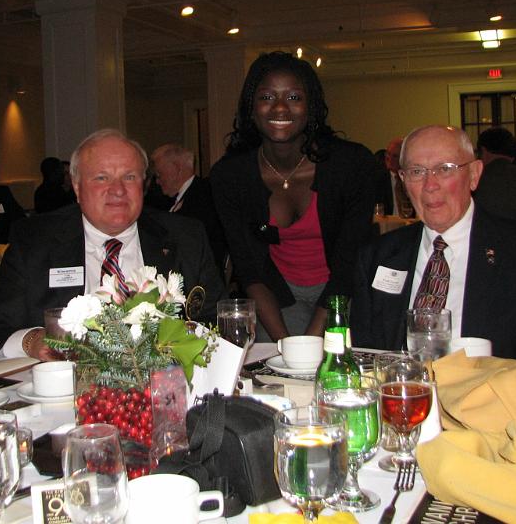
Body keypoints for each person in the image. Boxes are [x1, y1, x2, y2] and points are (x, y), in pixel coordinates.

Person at [350, 126, 516, 395]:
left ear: (474, 175)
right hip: (401, 417)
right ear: (403, 180)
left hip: (498, 423)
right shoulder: (377, 257)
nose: (430, 185)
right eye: (417, 171)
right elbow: (364, 363)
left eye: (445, 168)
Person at [0, 129, 225, 361]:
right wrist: (31, 341)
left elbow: (216, 321)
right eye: (102, 178)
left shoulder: (185, 237)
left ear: (144, 184)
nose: (117, 190)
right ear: (77, 187)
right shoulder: (36, 241)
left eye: (129, 177)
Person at [210, 51, 376, 341]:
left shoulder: (352, 165)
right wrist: (285, 345)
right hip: (279, 294)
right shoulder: (231, 176)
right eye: (266, 97)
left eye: (294, 98)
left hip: (343, 291)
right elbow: (251, 269)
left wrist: (312, 342)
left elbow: (349, 262)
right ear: (250, 107)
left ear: (311, 107)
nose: (280, 108)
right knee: (273, 372)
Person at [150, 143, 227, 273]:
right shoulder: (172, 199)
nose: (157, 181)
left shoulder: (203, 197)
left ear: (175, 169)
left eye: (159, 174)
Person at [375, 137, 414, 217]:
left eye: (395, 156)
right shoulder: (377, 179)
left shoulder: (411, 178)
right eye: (388, 154)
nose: (389, 159)